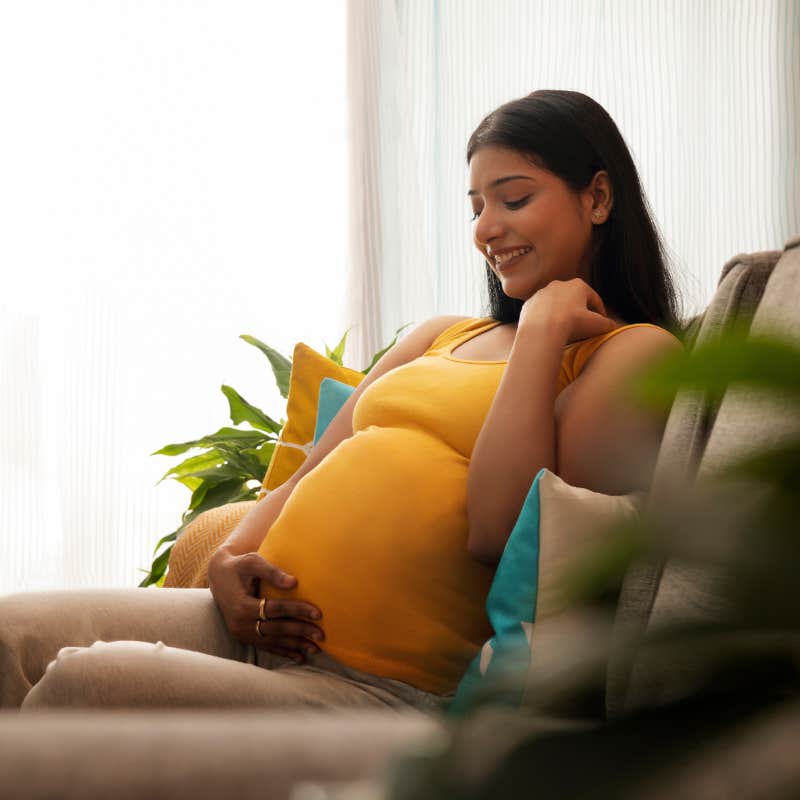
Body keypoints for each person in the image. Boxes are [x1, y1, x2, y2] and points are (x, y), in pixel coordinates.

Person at [0, 89, 682, 712]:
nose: (485, 228)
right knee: (8, 635)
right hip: (256, 635)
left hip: (375, 689)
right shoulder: (440, 334)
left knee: (86, 685)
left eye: (512, 198)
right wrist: (230, 559)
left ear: (597, 198)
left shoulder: (632, 356)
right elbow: (304, 475)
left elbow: (501, 534)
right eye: (475, 207)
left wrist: (541, 333)